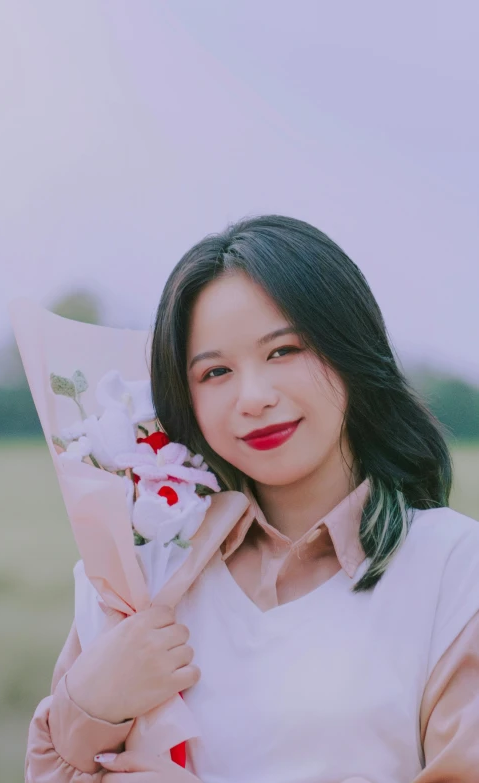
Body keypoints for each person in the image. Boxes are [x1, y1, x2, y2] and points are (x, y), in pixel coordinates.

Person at [25, 215, 479, 782]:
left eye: (283, 351)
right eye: (215, 371)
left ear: (350, 350)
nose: (254, 397)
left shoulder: (453, 569)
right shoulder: (134, 581)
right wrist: (92, 701)